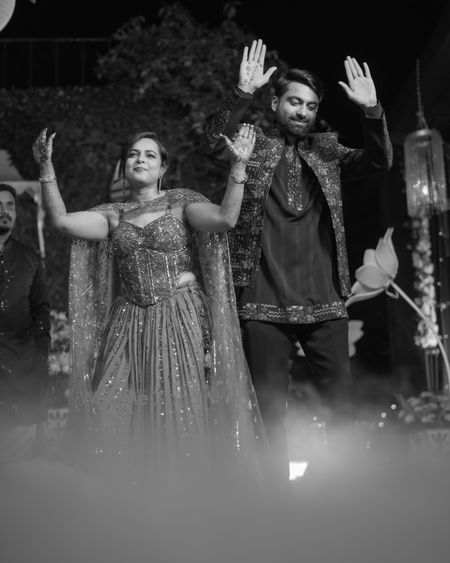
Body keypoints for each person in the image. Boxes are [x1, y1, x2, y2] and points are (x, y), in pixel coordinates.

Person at [32, 124, 268, 484]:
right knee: (109, 406)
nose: (139, 159)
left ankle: (180, 494)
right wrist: (46, 168)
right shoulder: (113, 214)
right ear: (124, 167)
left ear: (162, 169)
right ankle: (119, 496)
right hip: (128, 320)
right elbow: (62, 222)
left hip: (177, 313)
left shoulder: (180, 203)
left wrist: (239, 166)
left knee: (176, 406)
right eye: (133, 154)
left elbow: (225, 219)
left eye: (149, 155)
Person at [201, 39, 393, 479]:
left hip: (323, 299)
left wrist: (372, 110)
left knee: (342, 410)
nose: (302, 111)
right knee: (270, 418)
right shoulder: (252, 144)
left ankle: (346, 495)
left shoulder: (327, 150)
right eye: (294, 101)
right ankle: (278, 507)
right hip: (262, 300)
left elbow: (380, 162)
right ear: (275, 103)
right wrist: (241, 93)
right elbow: (213, 144)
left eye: (310, 105)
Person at [0, 183, 50, 465]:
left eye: (10, 205)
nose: (4, 211)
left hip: (23, 375)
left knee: (17, 469)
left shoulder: (29, 257)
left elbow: (41, 308)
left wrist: (41, 353)